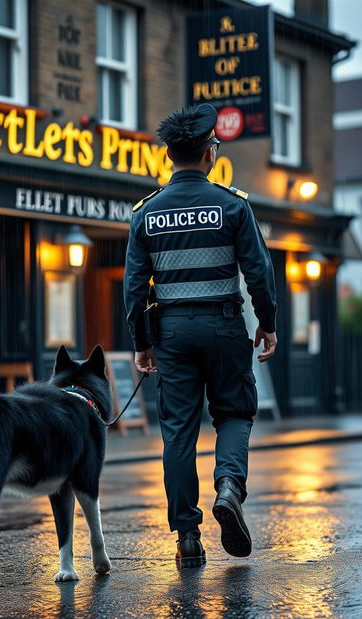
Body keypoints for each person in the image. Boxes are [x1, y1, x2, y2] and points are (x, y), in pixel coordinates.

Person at [123, 103, 278, 568]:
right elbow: (259, 271)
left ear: (170, 156)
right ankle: (229, 487)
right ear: (209, 153)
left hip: (171, 334)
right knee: (233, 413)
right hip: (225, 325)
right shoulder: (233, 206)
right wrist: (267, 324)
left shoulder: (146, 214)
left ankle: (188, 537)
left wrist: (141, 344)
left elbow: (133, 286)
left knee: (178, 434)